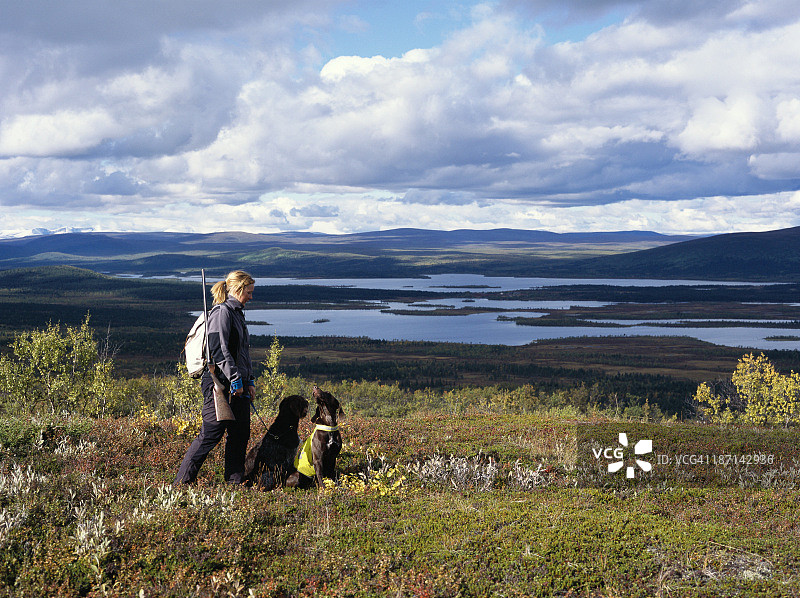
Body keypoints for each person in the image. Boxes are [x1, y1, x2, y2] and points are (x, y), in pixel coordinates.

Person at [174, 270, 256, 486]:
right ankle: (181, 484)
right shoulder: (222, 313)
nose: (251, 297)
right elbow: (218, 351)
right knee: (211, 433)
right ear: (237, 289)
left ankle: (235, 482)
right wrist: (235, 380)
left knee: (240, 434)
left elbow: (242, 353)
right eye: (248, 292)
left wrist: (249, 380)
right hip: (219, 383)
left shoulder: (237, 313)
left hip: (238, 384)